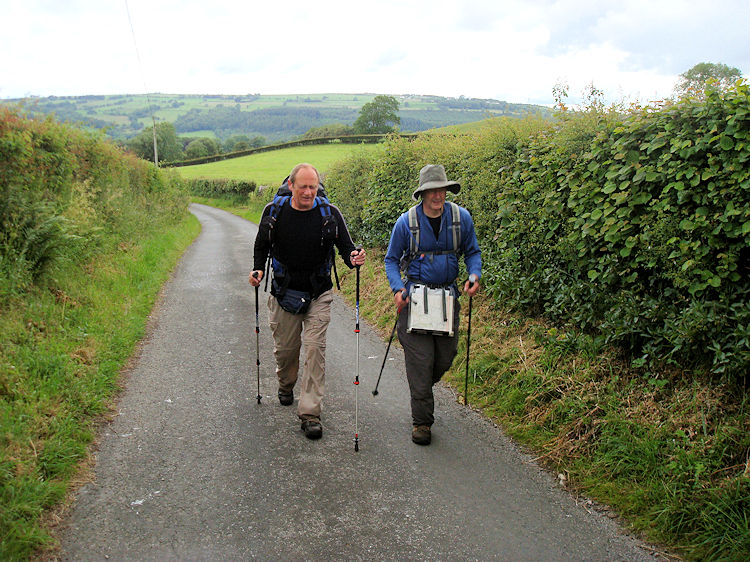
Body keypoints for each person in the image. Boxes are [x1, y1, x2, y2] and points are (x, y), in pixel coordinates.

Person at [249, 163, 366, 440]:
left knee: (315, 350)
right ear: (291, 186)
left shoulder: (330, 214)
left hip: (319, 293)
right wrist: (258, 270)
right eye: (303, 186)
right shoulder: (274, 213)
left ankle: (310, 413)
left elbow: (347, 250)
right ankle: (286, 383)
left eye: (313, 187)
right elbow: (261, 245)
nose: (308, 192)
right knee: (286, 350)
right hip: (283, 291)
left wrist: (355, 258)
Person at [384, 164, 481, 445]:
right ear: (423, 194)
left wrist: (474, 275)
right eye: (432, 191)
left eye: (442, 190)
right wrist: (397, 288)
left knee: (444, 358)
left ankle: (423, 387)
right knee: (421, 362)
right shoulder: (406, 222)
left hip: (448, 300)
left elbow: (472, 252)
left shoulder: (461, 219)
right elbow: (391, 259)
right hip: (414, 301)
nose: (438, 195)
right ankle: (422, 423)